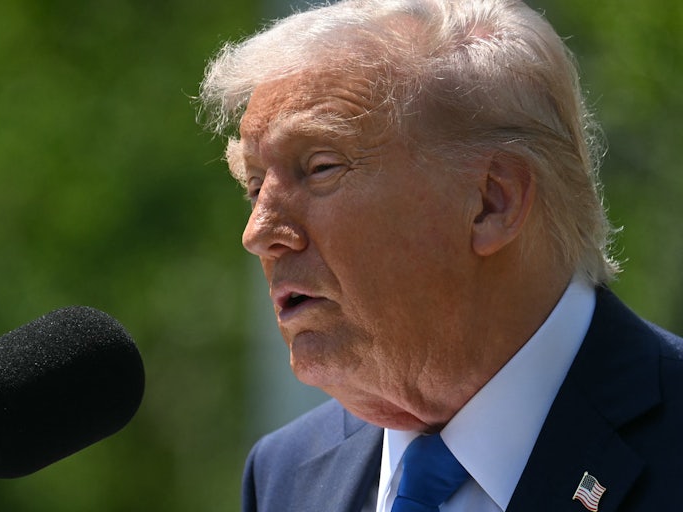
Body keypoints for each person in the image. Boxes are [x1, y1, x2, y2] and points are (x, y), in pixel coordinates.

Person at [198, 0, 683, 510]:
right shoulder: (286, 473)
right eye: (255, 187)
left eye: (319, 167)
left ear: (492, 202)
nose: (259, 232)